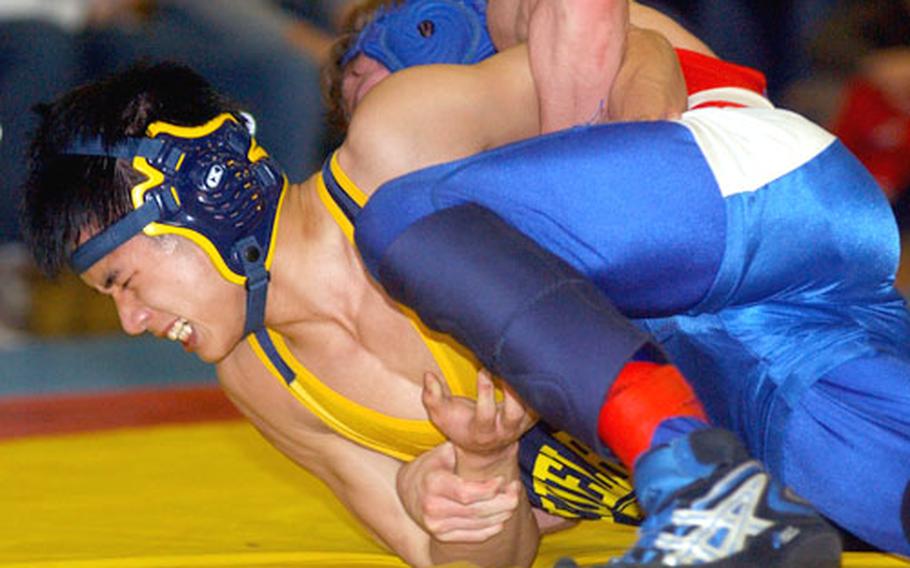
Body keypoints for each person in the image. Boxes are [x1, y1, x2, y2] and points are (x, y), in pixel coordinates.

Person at [20, 5, 849, 568]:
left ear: (197, 199)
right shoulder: (260, 380)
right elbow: (448, 554)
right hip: (765, 495)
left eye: (123, 280)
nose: (129, 320)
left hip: (775, 344)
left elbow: (634, 50)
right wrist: (484, 481)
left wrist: (622, 224)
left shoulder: (398, 143)